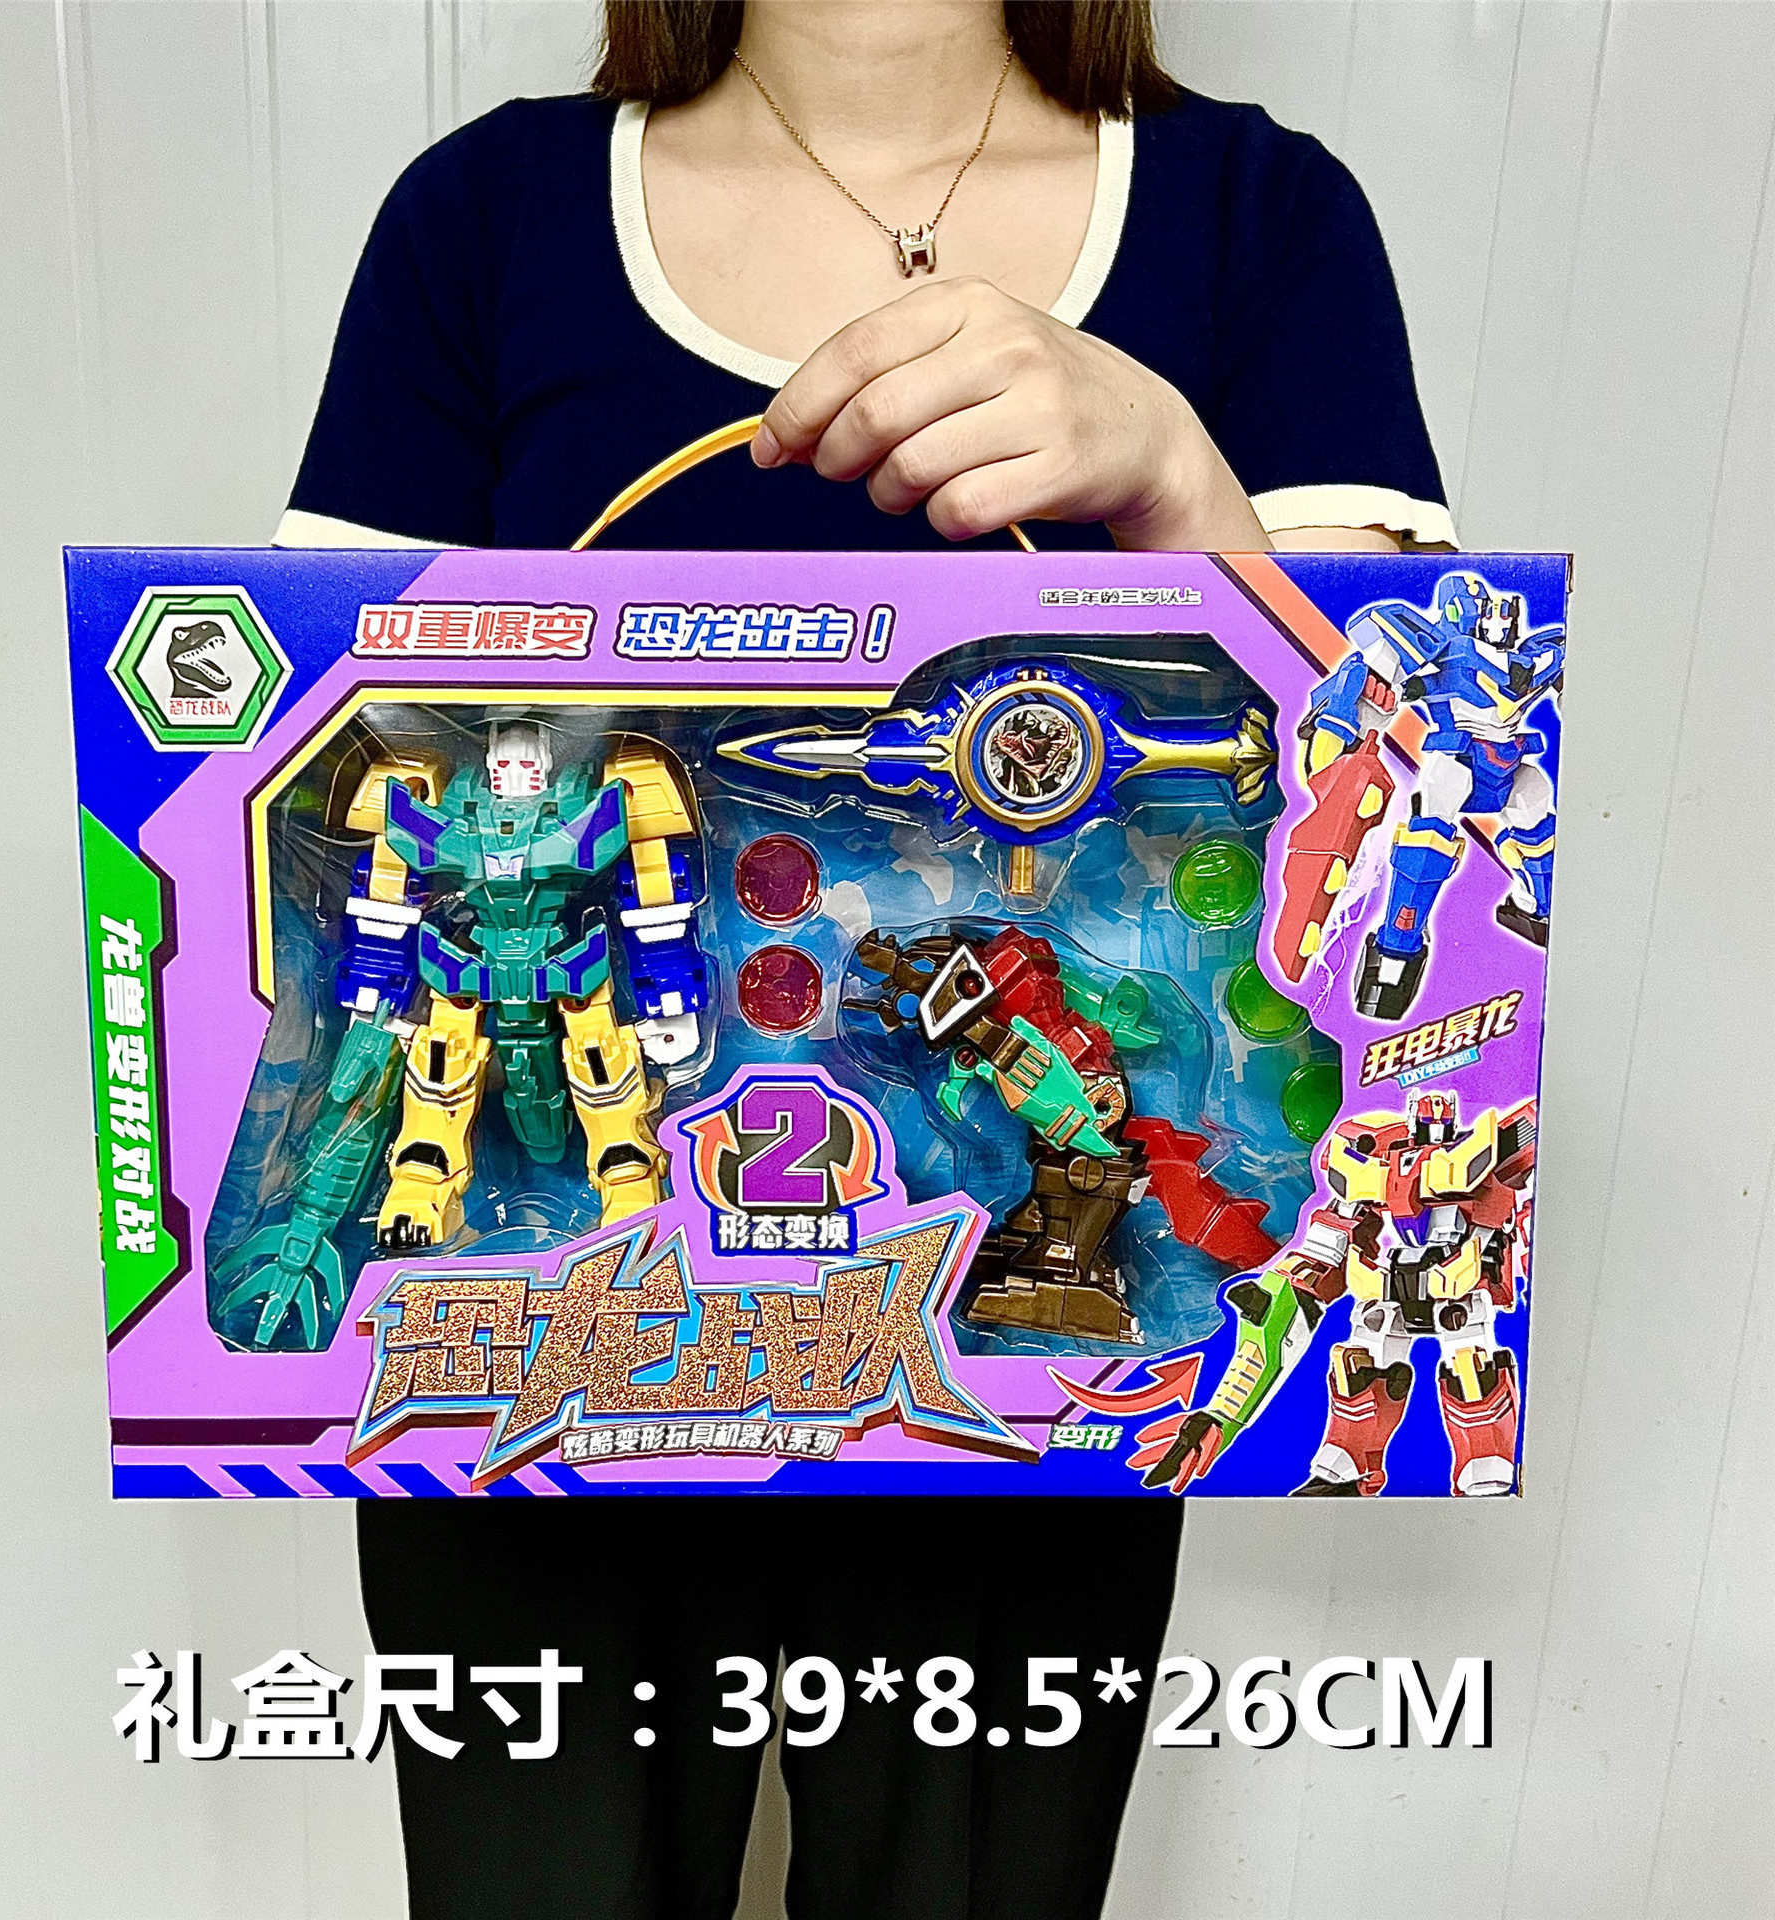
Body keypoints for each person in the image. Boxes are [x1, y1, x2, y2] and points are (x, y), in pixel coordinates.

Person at [279, 5, 1452, 1917]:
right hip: (550, 1332)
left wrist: (1178, 487)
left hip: (1014, 1377)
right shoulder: (486, 221)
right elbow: (313, 755)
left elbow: (1399, 839)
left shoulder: (1257, 221)